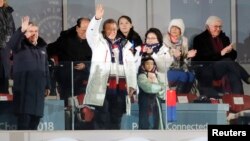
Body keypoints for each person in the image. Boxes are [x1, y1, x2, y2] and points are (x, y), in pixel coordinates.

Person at [84, 4, 137, 129]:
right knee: (102, 117)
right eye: (109, 29)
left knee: (116, 117)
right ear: (104, 30)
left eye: (114, 29)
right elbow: (90, 33)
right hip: (103, 86)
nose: (112, 32)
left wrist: (132, 85)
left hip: (120, 87)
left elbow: (131, 67)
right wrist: (97, 19)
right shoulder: (98, 42)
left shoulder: (124, 45)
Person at [7, 16, 50, 130]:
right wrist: (21, 31)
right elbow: (11, 44)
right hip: (24, 91)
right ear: (26, 33)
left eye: (36, 31)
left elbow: (46, 67)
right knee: (24, 125)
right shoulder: (20, 45)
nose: (34, 33)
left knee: (34, 125)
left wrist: (47, 85)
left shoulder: (42, 47)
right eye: (30, 31)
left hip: (38, 92)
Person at [192, 16, 250, 97]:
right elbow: (202, 58)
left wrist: (230, 51)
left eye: (220, 26)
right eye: (215, 26)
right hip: (208, 69)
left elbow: (233, 56)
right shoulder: (199, 39)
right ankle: (247, 77)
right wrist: (221, 53)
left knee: (234, 76)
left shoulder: (224, 38)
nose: (218, 29)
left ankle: (239, 102)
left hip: (223, 68)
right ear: (208, 27)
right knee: (227, 61)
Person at [47, 17, 92, 107]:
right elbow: (49, 50)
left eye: (89, 29)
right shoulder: (66, 40)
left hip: (84, 79)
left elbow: (97, 61)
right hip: (66, 78)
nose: (86, 32)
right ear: (77, 28)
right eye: (83, 30)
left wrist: (85, 65)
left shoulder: (93, 42)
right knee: (67, 104)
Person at [135, 27, 173, 99]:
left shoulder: (165, 50)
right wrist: (141, 54)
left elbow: (163, 68)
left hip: (159, 84)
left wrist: (152, 54)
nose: (150, 40)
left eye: (153, 38)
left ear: (159, 39)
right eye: (148, 38)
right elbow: (135, 67)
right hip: (142, 85)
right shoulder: (140, 49)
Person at [164, 19, 197, 94]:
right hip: (167, 68)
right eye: (173, 27)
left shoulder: (184, 40)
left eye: (177, 28)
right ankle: (177, 98)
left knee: (191, 76)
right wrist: (186, 55)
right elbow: (171, 55)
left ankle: (184, 98)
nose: (174, 29)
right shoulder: (164, 40)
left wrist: (189, 56)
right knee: (183, 76)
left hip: (181, 68)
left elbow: (185, 60)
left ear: (181, 30)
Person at [137, 56, 165, 129]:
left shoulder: (156, 75)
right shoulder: (141, 76)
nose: (150, 66)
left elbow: (163, 90)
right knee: (145, 121)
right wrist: (160, 87)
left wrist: (160, 88)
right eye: (147, 64)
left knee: (157, 121)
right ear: (143, 65)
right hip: (145, 101)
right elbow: (148, 88)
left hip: (156, 102)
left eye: (151, 64)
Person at [0, 0, 15, 93]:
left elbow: (12, 29)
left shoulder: (8, 12)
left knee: (4, 75)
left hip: (5, 48)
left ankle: (3, 103)